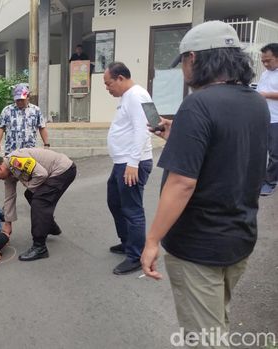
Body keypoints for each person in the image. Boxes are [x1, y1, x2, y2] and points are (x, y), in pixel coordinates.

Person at [140, 21, 269, 345]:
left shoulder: (198, 104)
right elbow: (229, 151)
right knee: (216, 322)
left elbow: (182, 182)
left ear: (194, 58)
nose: (183, 69)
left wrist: (153, 239)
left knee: (205, 339)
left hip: (199, 245)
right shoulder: (254, 102)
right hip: (239, 238)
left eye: (183, 61)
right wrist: (177, 134)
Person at [103, 61, 154, 275]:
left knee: (132, 209)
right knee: (115, 202)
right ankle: (127, 242)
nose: (107, 88)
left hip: (133, 163)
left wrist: (133, 163)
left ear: (120, 78)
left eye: (108, 83)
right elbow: (153, 120)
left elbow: (144, 129)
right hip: (122, 162)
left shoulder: (136, 95)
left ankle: (135, 255)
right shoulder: (130, 96)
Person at [0, 148, 76, 261]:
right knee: (30, 195)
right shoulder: (9, 172)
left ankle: (39, 247)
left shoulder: (15, 161)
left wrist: (29, 185)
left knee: (39, 201)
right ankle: (50, 225)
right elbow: (9, 198)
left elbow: (41, 174)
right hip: (55, 172)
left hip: (63, 170)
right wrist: (8, 224)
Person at [0, 83, 50, 156]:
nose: (19, 102)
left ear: (28, 97)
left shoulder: (36, 110)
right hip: (11, 151)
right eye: (17, 100)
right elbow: (0, 127)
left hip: (30, 151)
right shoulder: (7, 110)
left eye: (22, 99)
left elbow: (42, 127)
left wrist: (46, 144)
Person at [258, 43, 278, 196]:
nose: (265, 64)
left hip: (276, 120)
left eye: (268, 60)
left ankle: (270, 183)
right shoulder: (265, 74)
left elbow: (264, 93)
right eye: (263, 60)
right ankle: (263, 179)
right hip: (264, 117)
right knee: (261, 151)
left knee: (275, 153)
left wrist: (265, 95)